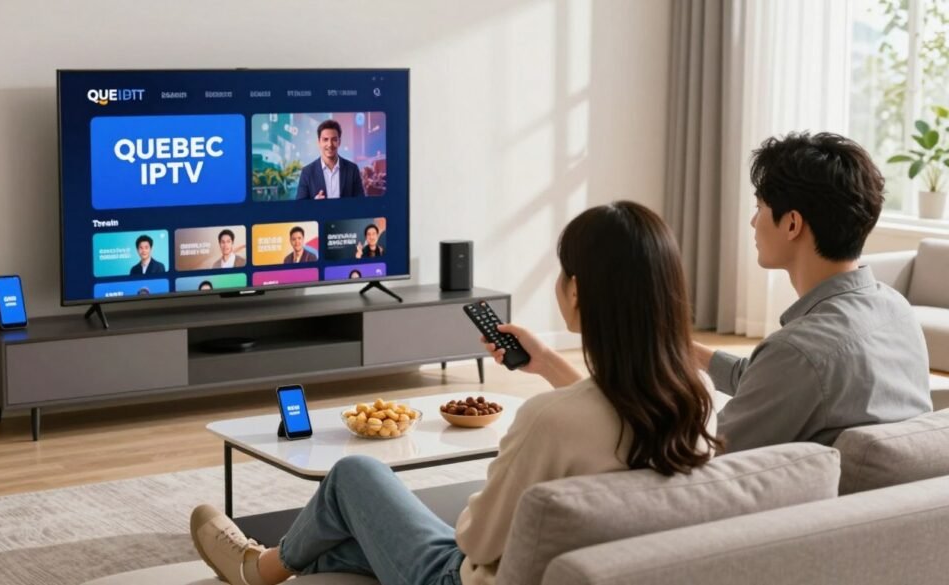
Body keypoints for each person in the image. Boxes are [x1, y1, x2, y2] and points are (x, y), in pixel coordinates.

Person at [189, 202, 721, 585]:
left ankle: (255, 569)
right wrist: (549, 365)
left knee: (356, 475)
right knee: (358, 529)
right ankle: (284, 558)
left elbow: (474, 542)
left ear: (576, 291)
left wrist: (469, 512)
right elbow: (607, 417)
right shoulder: (696, 397)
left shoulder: (549, 421)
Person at [692, 132, 932, 453]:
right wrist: (679, 347)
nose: (753, 222)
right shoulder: (896, 309)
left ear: (792, 224)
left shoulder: (799, 351)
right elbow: (768, 380)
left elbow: (706, 452)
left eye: (759, 206)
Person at [295, 120, 365, 200]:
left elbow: (360, 203)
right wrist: (313, 205)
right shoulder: (307, 172)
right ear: (319, 142)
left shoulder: (352, 169)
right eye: (325, 139)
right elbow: (300, 207)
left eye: (334, 139)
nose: (330, 144)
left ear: (339, 142)